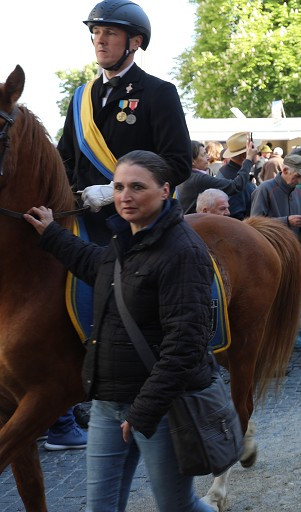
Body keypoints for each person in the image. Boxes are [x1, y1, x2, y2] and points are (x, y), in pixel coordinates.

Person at [24, 151, 216, 512]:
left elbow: (186, 344)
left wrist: (143, 410)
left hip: (159, 409)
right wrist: (51, 233)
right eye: (118, 187)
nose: (125, 196)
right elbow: (96, 266)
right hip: (108, 402)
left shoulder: (183, 251)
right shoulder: (125, 240)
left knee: (178, 507)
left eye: (137, 187)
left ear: (164, 191)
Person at [51, 0, 191, 452]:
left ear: (135, 42)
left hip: (139, 221)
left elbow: (177, 163)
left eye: (109, 32)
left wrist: (113, 192)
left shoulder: (158, 92)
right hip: (84, 216)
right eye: (95, 32)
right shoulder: (81, 98)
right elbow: (64, 159)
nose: (99, 40)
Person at [250, 153, 301, 349]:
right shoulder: (265, 189)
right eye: (297, 176)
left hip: (292, 250)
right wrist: (286, 221)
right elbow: (254, 223)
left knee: (291, 295)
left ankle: (292, 331)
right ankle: (282, 336)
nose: (300, 180)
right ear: (285, 170)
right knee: (277, 298)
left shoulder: (296, 190)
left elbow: (295, 222)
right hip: (271, 252)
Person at [176, 139, 257, 214]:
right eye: (203, 155)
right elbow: (236, 186)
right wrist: (248, 159)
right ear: (192, 161)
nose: (208, 157)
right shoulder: (198, 179)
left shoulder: (188, 176)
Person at [218, 132, 258, 219]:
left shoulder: (228, 171)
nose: (256, 153)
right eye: (253, 151)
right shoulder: (232, 177)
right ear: (245, 156)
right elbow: (237, 215)